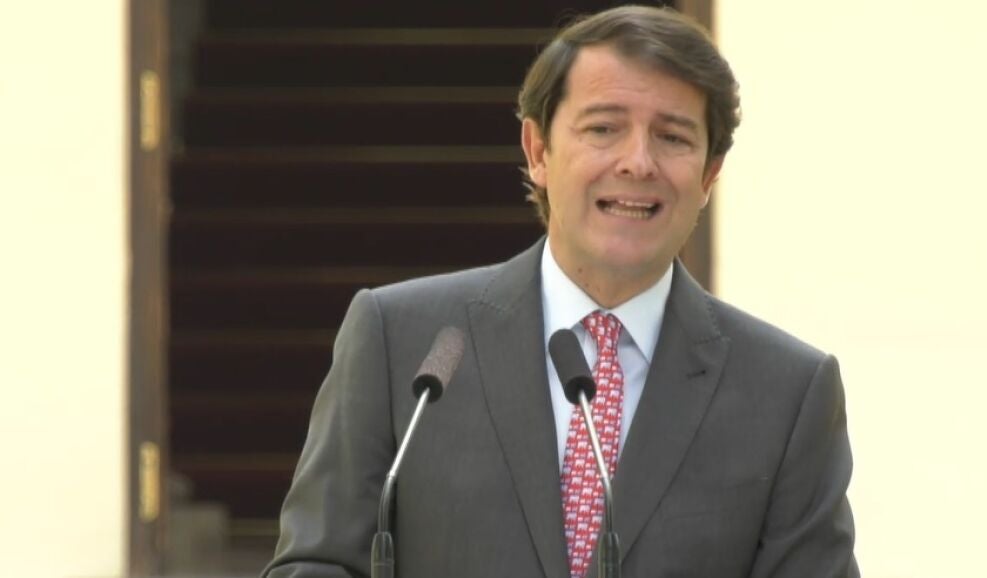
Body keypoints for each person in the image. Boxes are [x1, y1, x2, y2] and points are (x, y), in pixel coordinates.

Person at [262, 5, 858, 577]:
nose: (638, 162)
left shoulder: (787, 394)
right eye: (603, 129)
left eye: (673, 137)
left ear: (709, 174)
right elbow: (316, 563)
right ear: (538, 151)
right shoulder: (405, 342)